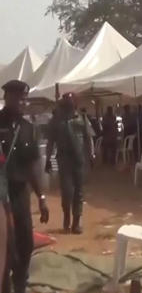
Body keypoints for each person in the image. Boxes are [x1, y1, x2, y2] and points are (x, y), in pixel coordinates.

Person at [0, 80, 48, 293]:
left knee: (25, 244)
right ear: (6, 96)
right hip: (0, 195)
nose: (22, 101)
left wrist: (41, 198)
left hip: (20, 195)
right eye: (17, 97)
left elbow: (33, 167)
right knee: (5, 250)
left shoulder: (29, 128)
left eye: (24, 98)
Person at [45, 93, 94, 235]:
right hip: (63, 159)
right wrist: (48, 159)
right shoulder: (56, 121)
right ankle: (66, 214)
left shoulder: (82, 118)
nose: (68, 107)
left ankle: (76, 222)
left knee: (78, 191)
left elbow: (88, 138)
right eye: (65, 104)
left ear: (75, 105)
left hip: (78, 159)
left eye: (70, 104)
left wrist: (91, 155)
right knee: (67, 192)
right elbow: (50, 142)